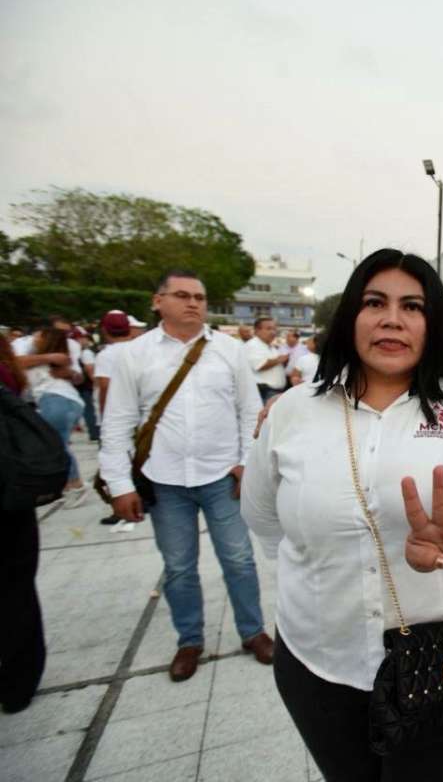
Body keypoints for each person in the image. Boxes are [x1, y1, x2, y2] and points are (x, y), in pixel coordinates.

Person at [242, 250, 443, 782]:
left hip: (439, 659)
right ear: (350, 318)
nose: (392, 319)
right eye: (374, 303)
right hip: (317, 659)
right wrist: (320, 566)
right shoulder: (292, 412)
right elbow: (264, 518)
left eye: (413, 306)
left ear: (433, 325)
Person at [100, 270, 273, 682]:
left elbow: (250, 411)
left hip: (221, 477)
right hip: (164, 480)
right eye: (182, 295)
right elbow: (117, 422)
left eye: (200, 296)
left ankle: (253, 632)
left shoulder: (229, 350)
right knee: (178, 566)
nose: (194, 303)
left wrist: (246, 462)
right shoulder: (134, 354)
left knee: (240, 560)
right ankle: (189, 641)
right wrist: (119, 484)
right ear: (157, 301)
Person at [0, 333, 46, 714]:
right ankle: (19, 679)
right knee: (17, 588)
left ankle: (19, 677)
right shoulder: (11, 369)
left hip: (10, 495)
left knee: (16, 586)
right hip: (14, 493)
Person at [23, 327, 89, 507]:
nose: (34, 337)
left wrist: (69, 372)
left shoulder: (61, 358)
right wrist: (48, 358)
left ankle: (75, 485)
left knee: (57, 445)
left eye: (39, 335)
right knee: (58, 444)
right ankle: (70, 485)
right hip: (59, 401)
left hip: (56, 400)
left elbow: (78, 376)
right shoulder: (42, 357)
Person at [94, 311, 137, 525]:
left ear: (104, 329)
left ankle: (119, 508)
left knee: (114, 462)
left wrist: (105, 418)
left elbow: (104, 386)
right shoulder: (137, 349)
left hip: (116, 416)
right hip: (138, 417)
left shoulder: (107, 354)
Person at [246, 317, 289, 403]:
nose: (273, 332)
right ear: (257, 331)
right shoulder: (253, 345)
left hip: (275, 392)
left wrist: (283, 362)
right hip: (265, 392)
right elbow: (260, 365)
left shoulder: (271, 347)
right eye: (269, 329)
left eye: (274, 329)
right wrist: (280, 359)